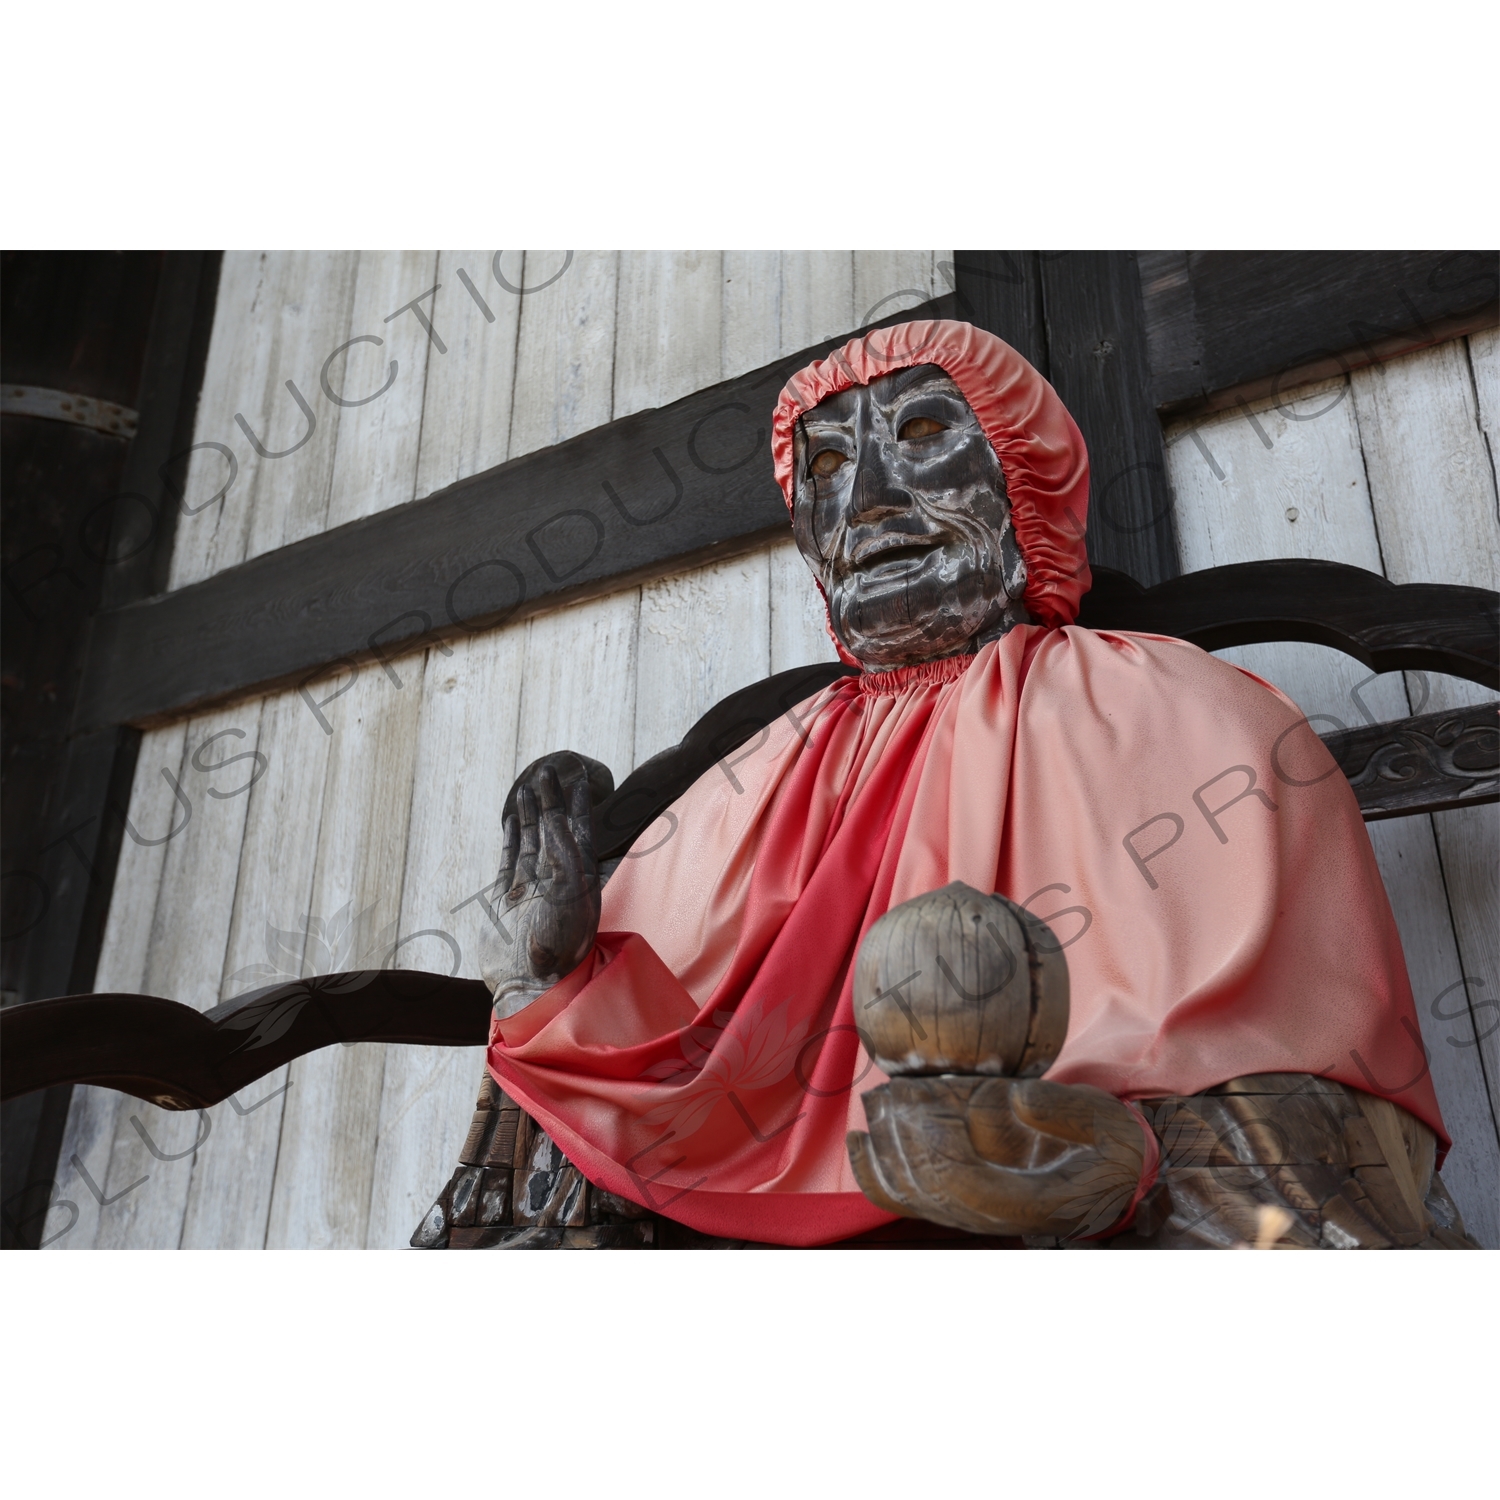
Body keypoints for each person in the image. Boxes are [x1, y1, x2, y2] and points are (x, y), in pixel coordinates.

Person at [475, 319, 1470, 1249]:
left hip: (1070, 1157)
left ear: (1021, 468)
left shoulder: (1175, 707)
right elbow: (662, 1043)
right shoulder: (767, 768)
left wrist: (1107, 1144)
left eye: (919, 432)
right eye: (825, 464)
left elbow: (1275, 1039)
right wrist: (553, 971)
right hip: (791, 1170)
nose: (864, 496)